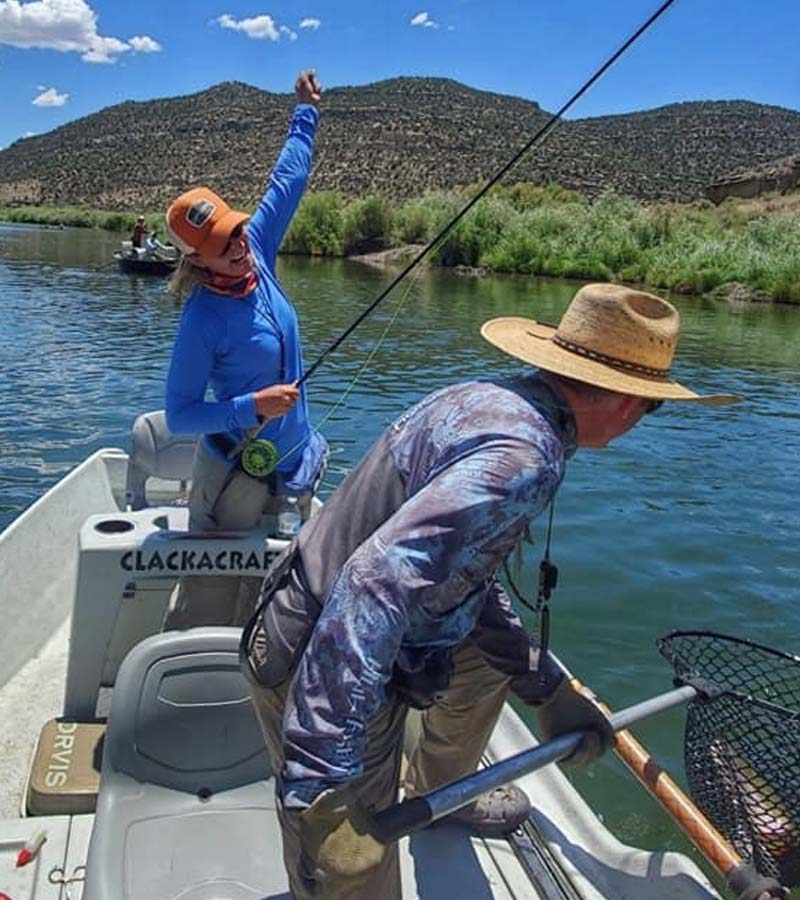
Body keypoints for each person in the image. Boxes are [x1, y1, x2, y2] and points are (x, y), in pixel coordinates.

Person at [240, 282, 741, 899]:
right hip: (322, 662)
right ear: (627, 402)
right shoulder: (524, 459)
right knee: (350, 875)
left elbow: (460, 575)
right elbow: (371, 587)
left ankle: (440, 795)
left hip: (301, 617)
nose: (641, 419)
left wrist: (544, 684)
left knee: (484, 664)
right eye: (650, 406)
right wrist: (322, 786)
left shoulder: (487, 397)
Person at [163, 69, 328, 630]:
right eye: (220, 246)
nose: (237, 248)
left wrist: (305, 112)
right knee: (211, 603)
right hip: (231, 476)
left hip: (292, 467)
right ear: (196, 262)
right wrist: (251, 406)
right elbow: (180, 414)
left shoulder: (257, 245)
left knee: (277, 602)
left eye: (235, 232)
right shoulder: (202, 319)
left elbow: (288, 178)